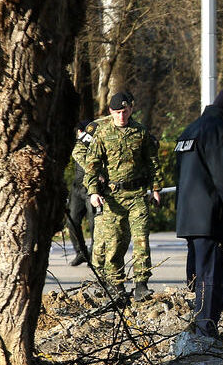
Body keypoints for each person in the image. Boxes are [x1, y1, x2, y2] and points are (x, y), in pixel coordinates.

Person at [175, 85, 223, 338]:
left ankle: (201, 321)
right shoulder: (219, 130)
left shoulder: (191, 129)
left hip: (190, 215)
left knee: (218, 268)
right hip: (211, 216)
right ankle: (205, 330)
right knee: (212, 273)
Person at [84, 92, 164, 301]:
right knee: (115, 242)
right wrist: (93, 192)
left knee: (141, 240)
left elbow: (152, 162)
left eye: (125, 111)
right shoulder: (102, 133)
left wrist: (156, 189)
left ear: (131, 109)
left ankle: (141, 284)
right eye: (118, 112)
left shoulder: (140, 132)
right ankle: (116, 285)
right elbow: (91, 165)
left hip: (137, 195)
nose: (122, 116)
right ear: (111, 112)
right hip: (113, 197)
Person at [66, 120, 96, 266]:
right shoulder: (78, 145)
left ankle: (94, 254)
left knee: (94, 223)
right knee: (72, 220)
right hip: (77, 187)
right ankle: (81, 252)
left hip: (91, 188)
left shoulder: (94, 140)